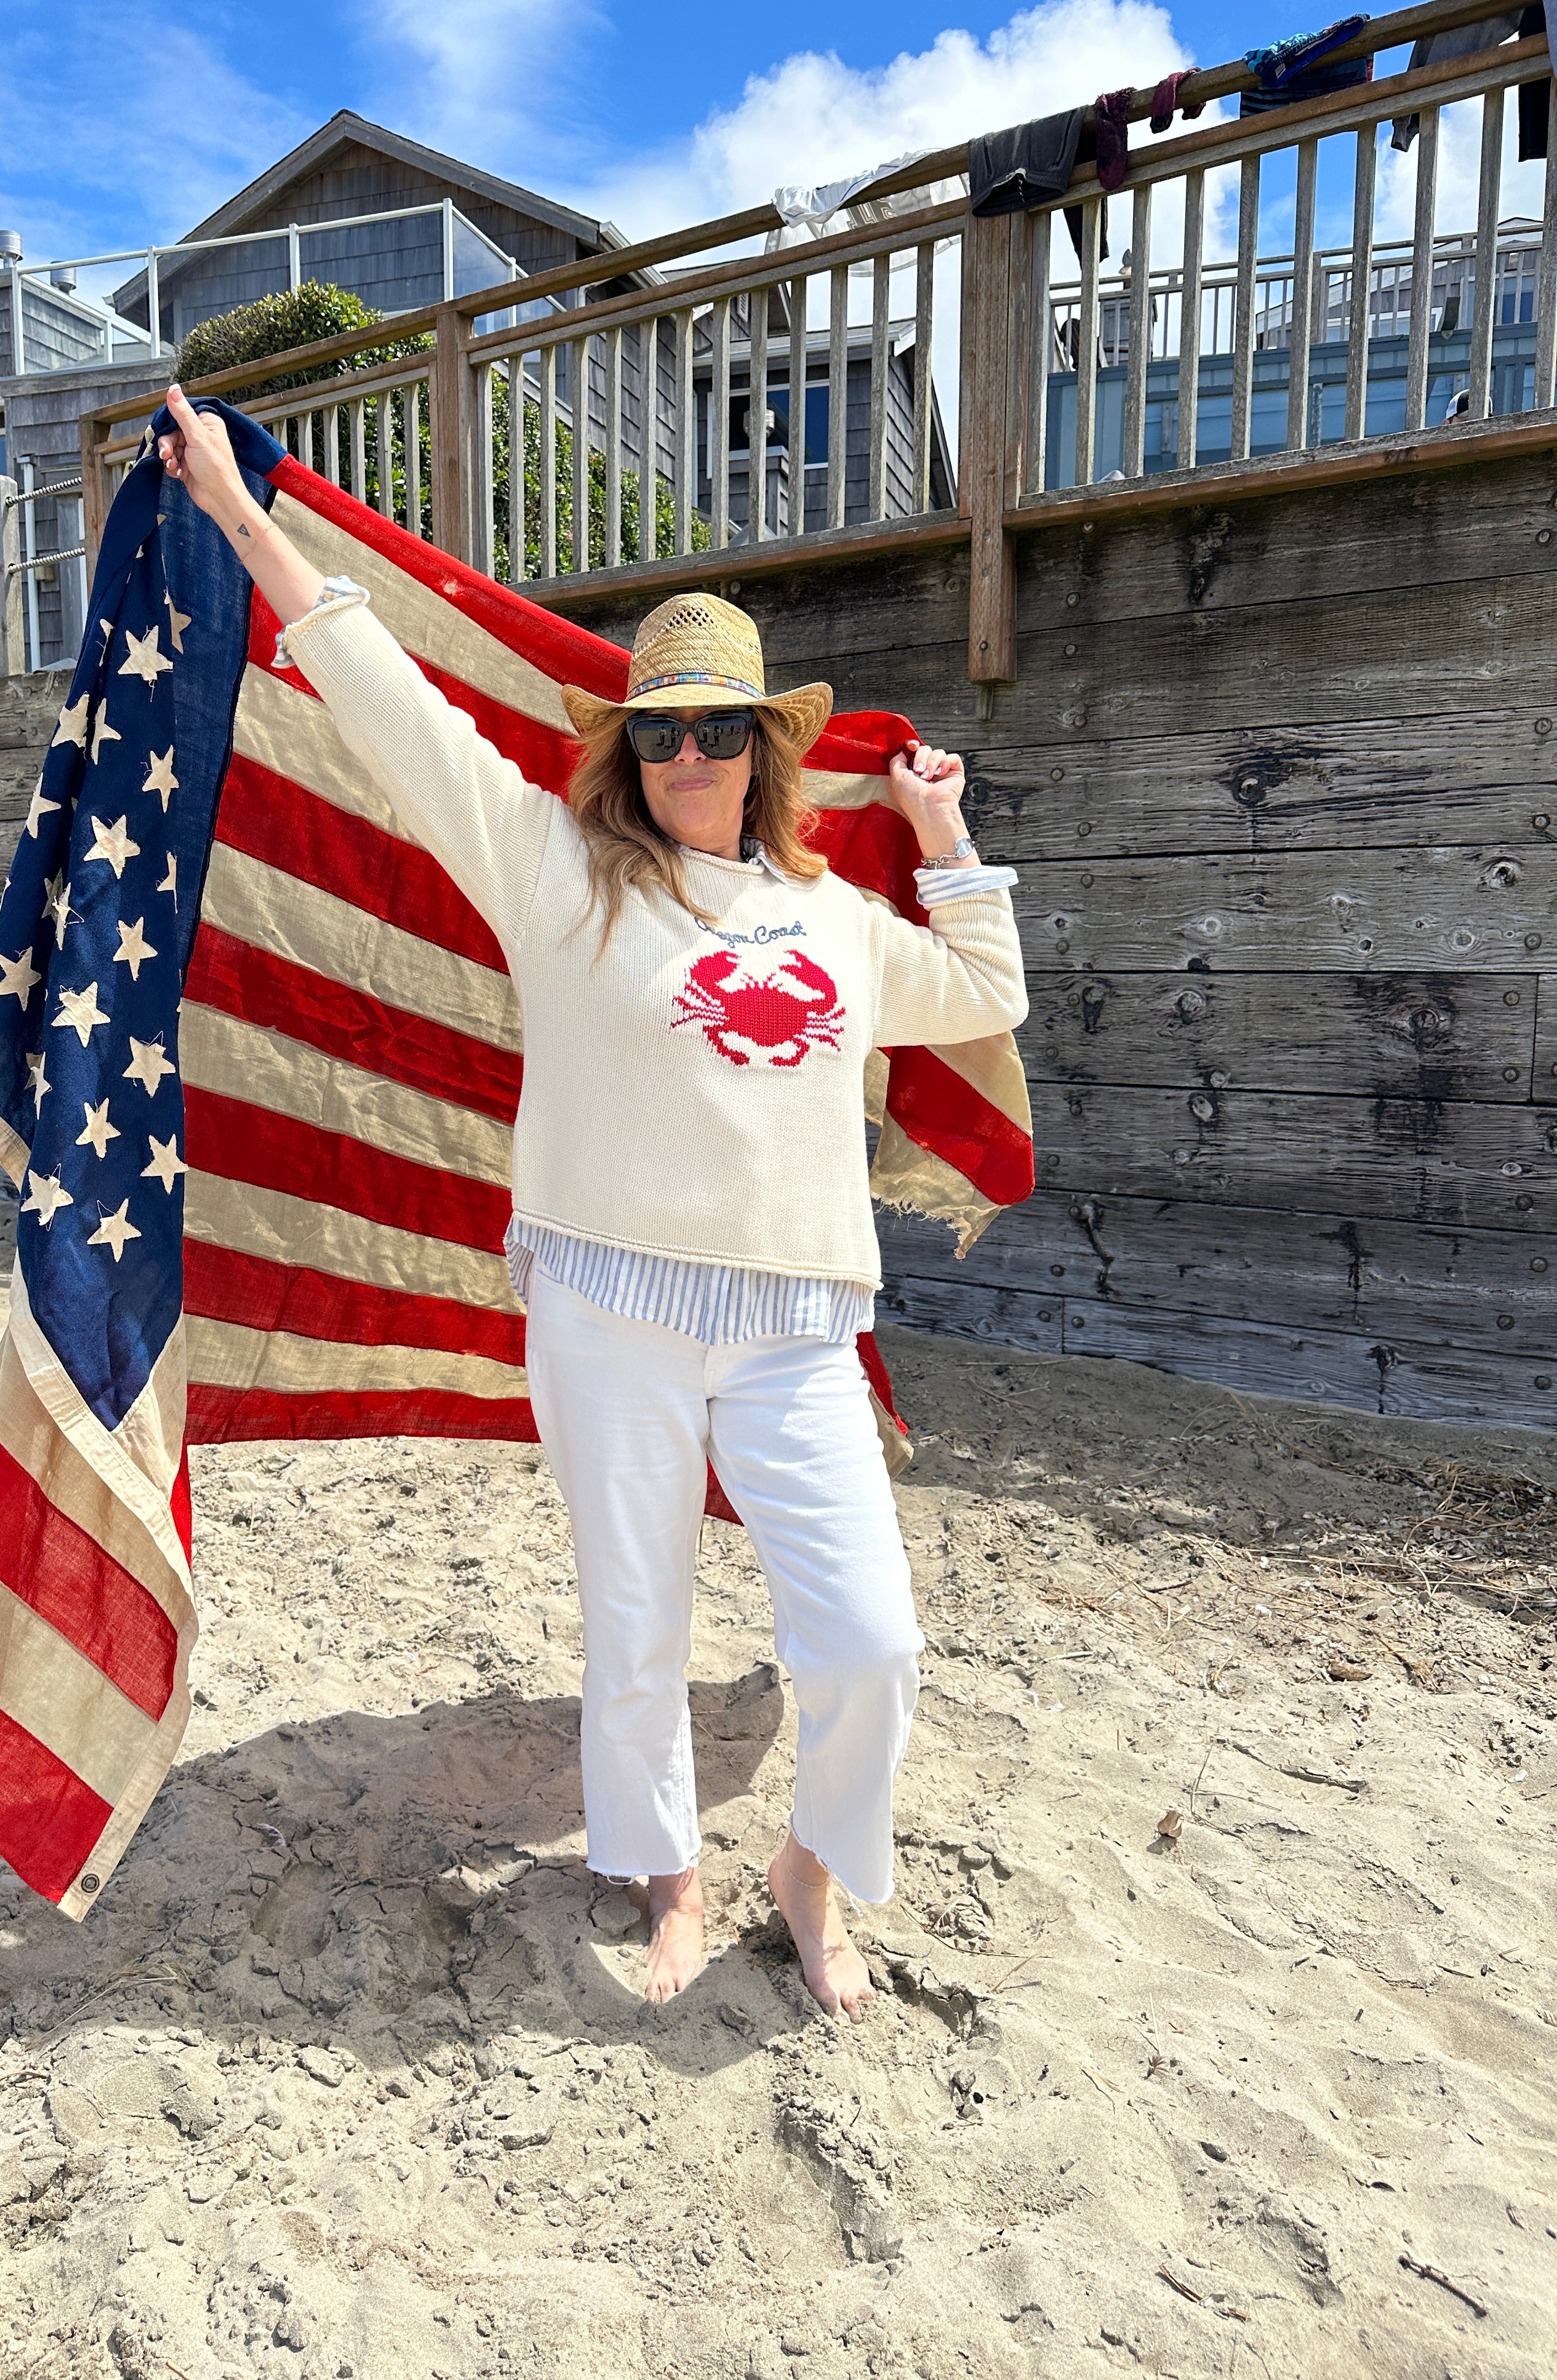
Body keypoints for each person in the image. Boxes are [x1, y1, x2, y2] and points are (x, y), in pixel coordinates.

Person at [156, 385, 1029, 2021]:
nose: (688, 755)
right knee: (634, 1621)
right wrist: (238, 514)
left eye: (720, 730)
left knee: (873, 1642)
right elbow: (386, 701)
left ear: (766, 749)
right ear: (627, 748)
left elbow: (989, 988)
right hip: (607, 1310)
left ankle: (812, 1874)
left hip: (794, 1330)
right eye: (660, 729)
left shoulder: (835, 918)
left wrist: (943, 826)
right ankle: (674, 1879)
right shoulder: (557, 875)